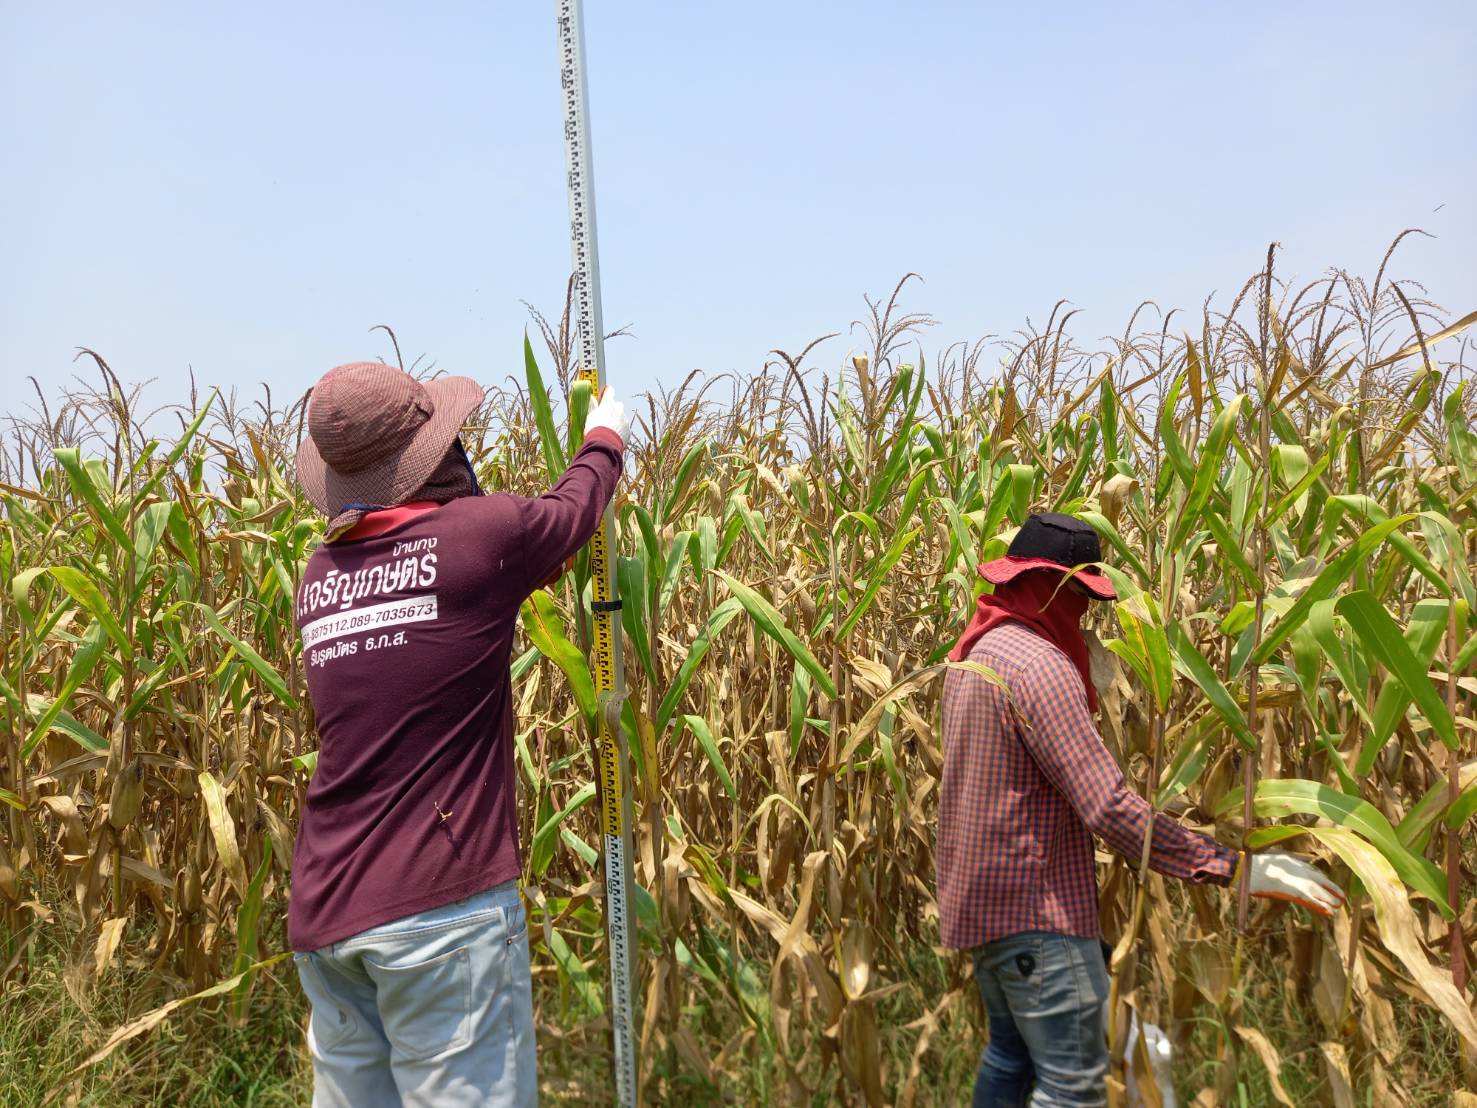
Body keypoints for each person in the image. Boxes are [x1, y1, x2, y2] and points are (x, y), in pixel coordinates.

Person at [289, 361, 628, 1107]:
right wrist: (606, 436)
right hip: (438, 917)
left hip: (326, 918)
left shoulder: (317, 578)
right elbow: (573, 512)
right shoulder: (479, 538)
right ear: (434, 455)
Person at [938, 512, 1345, 1108]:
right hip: (1038, 916)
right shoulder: (1040, 667)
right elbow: (1107, 806)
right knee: (1072, 1088)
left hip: (982, 910)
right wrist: (1233, 868)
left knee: (1010, 1058)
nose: (1086, 614)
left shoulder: (977, 653)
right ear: (1062, 590)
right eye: (1082, 598)